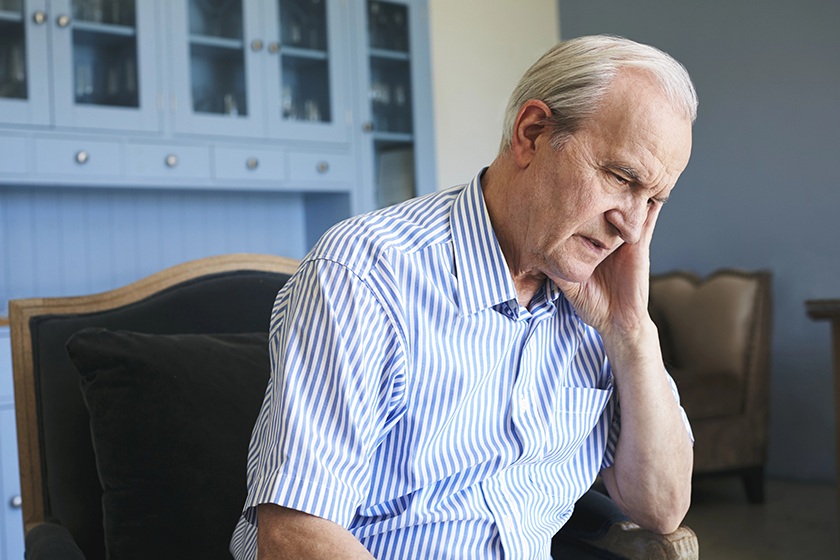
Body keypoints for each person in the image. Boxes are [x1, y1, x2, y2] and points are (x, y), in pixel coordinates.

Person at [230, 34, 697, 560]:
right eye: (621, 178)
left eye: (654, 200)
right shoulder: (365, 274)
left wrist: (631, 332)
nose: (631, 227)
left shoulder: (600, 302)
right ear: (532, 133)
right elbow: (294, 534)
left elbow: (662, 507)